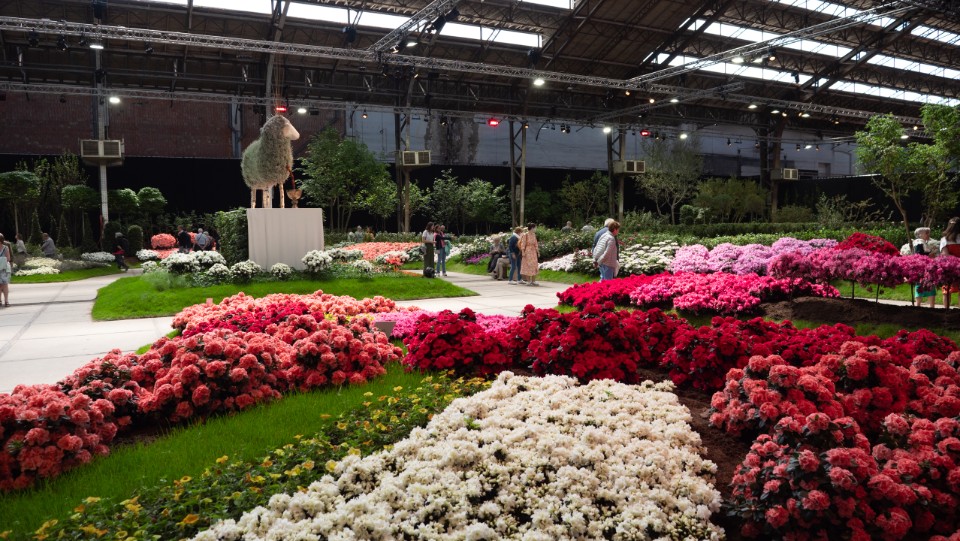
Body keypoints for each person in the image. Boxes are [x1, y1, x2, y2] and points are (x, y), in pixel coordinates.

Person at [911, 227, 939, 308]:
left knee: (925, 285)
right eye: (926, 233)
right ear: (919, 235)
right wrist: (930, 255)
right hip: (923, 269)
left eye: (928, 232)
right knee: (925, 285)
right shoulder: (919, 242)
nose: (928, 234)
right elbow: (919, 255)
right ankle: (927, 306)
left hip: (924, 268)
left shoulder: (921, 242)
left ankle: (921, 306)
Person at [941, 218, 960, 309]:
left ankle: (946, 310)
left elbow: (945, 255)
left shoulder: (944, 239)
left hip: (949, 267)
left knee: (947, 290)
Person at [519, 222, 540, 286]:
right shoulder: (525, 235)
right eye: (535, 228)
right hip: (527, 251)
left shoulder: (534, 235)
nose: (535, 229)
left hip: (533, 252)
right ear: (532, 228)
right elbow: (523, 244)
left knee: (534, 265)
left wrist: (538, 251)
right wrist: (523, 252)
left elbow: (536, 243)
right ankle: (528, 281)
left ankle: (533, 281)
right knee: (528, 265)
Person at [0, 234, 9, 306]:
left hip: (3, 269)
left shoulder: (5, 248)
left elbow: (8, 258)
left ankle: (6, 301)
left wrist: (2, 260)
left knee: (5, 285)